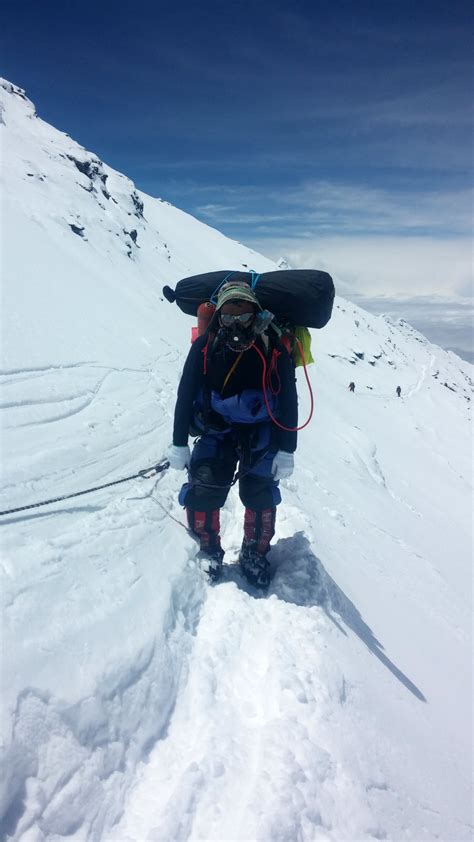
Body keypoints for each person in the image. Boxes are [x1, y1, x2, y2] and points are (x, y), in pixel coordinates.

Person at [167, 280, 298, 588]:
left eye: (243, 316)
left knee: (260, 492)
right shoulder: (206, 344)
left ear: (256, 314)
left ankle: (255, 552)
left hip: (261, 429)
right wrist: (178, 443)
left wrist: (287, 448)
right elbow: (185, 393)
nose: (236, 323)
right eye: (228, 316)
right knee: (204, 485)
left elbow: (289, 399)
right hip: (218, 427)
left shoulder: (272, 345)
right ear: (218, 317)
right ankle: (208, 549)